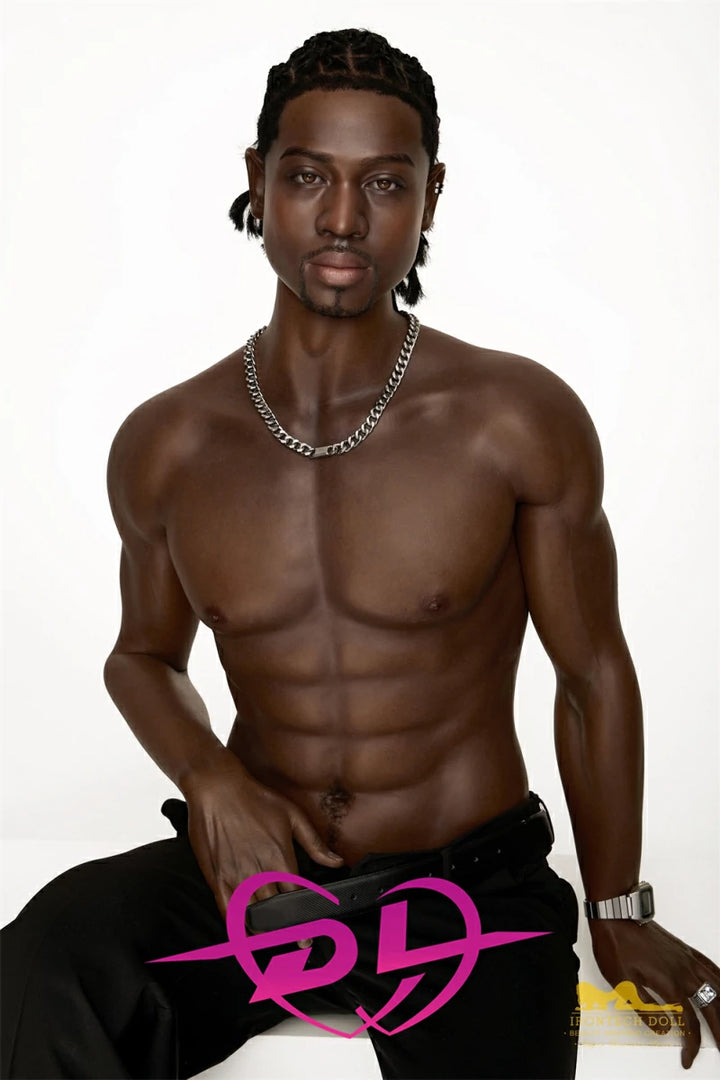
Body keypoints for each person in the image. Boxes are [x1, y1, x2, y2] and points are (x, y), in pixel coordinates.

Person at [2, 26, 718, 1080]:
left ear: (431, 195)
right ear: (259, 181)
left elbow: (592, 673)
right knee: (40, 966)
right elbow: (141, 656)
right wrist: (210, 779)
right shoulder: (169, 443)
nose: (343, 218)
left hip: (464, 894)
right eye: (308, 177)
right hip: (258, 887)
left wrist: (619, 910)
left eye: (385, 182)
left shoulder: (514, 420)